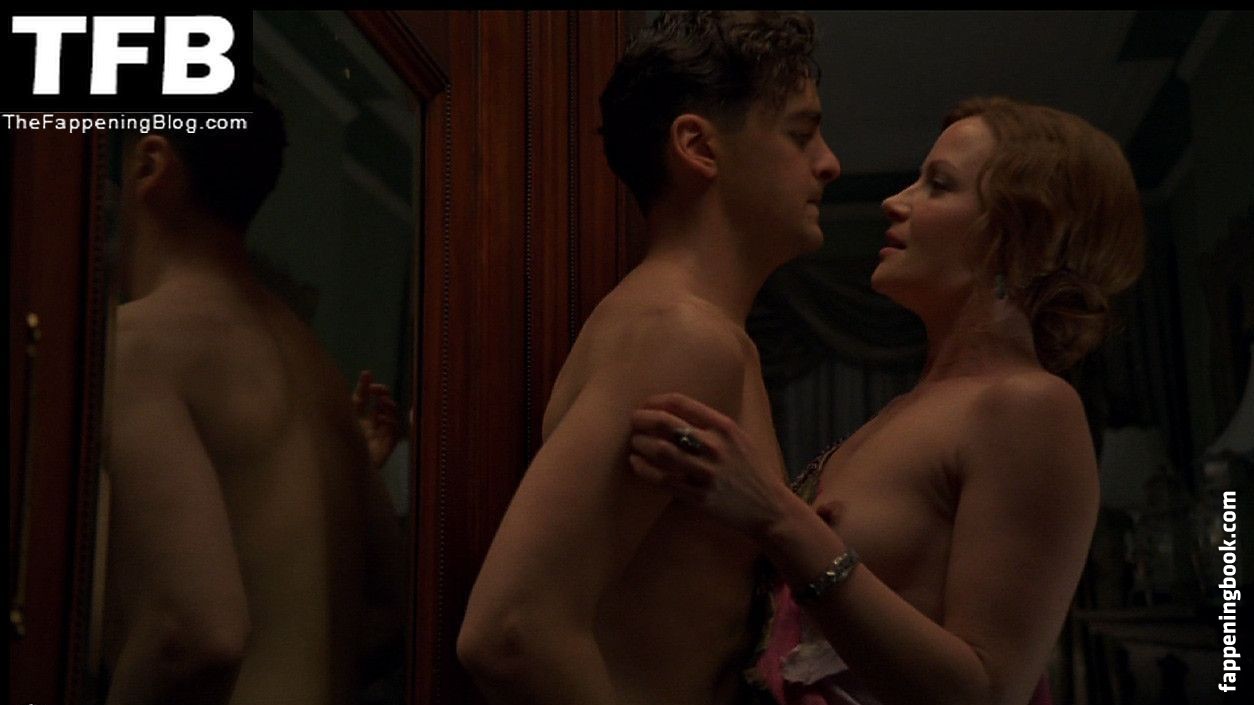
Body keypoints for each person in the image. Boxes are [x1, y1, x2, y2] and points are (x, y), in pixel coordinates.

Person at [628, 96, 1145, 705]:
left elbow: (987, 691)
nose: (893, 202)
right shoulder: (912, 407)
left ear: (1023, 237)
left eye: (938, 185)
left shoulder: (1029, 405)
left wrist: (777, 516)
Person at [457, 11, 840, 705]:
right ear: (698, 146)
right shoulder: (682, 336)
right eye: (800, 133)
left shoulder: (697, 331)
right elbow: (510, 630)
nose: (829, 162)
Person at [100, 82, 404, 705]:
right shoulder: (316, 366)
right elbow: (389, 609)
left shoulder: (137, 343)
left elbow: (193, 634)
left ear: (151, 163)